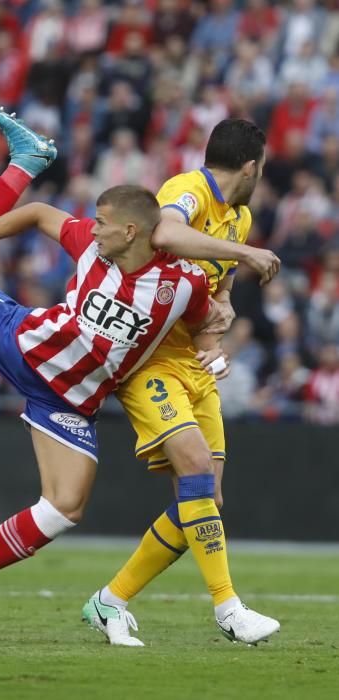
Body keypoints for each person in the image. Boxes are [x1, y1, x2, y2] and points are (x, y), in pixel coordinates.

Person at [0, 106, 235, 639]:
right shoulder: (91, 247)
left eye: (104, 222)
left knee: (64, 507)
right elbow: (40, 213)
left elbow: (209, 323)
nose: (94, 229)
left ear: (131, 230)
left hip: (68, 403)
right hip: (20, 345)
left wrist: (215, 349)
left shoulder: (182, 285)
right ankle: (23, 163)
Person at [82, 119, 281, 647]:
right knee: (194, 470)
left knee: (205, 498)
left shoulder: (239, 216)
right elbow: (165, 232)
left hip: (193, 364)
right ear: (251, 166)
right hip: (150, 360)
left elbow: (220, 294)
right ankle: (228, 608)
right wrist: (245, 253)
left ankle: (110, 600)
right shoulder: (187, 190)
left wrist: (219, 330)